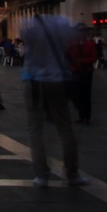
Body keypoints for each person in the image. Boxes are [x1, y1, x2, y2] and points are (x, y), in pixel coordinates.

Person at [19, 14, 85, 187]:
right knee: (65, 128)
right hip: (56, 80)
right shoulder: (62, 23)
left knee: (35, 129)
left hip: (32, 80)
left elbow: (25, 40)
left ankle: (42, 175)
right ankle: (72, 174)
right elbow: (71, 42)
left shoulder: (29, 23)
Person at [68, 26, 97, 125]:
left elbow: (94, 57)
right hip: (75, 71)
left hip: (86, 71)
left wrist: (84, 61)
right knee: (77, 94)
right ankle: (81, 115)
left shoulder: (90, 44)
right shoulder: (72, 43)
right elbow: (67, 54)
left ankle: (87, 117)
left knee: (86, 94)